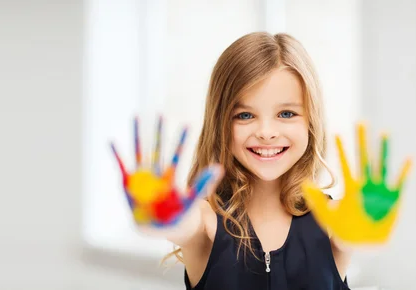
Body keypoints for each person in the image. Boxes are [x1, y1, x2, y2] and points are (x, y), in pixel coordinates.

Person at [117, 31, 353, 289]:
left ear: (311, 122)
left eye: (286, 113)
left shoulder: (334, 219)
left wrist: (370, 219)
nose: (266, 132)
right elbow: (184, 224)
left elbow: (353, 235)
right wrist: (161, 212)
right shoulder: (205, 224)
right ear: (221, 123)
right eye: (244, 115)